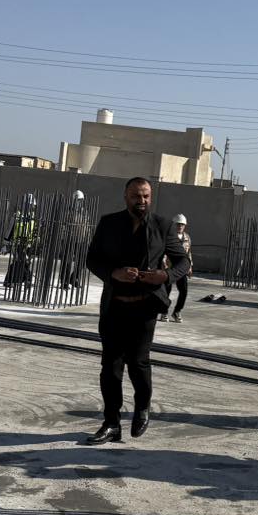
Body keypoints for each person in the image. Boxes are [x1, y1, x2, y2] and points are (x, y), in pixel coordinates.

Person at [83, 178, 189, 444]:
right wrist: (113, 273)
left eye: (146, 196)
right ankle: (111, 423)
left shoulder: (163, 226)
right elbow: (92, 259)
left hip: (145, 307)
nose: (141, 201)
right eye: (136, 196)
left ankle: (142, 407)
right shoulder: (109, 223)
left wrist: (165, 276)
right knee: (111, 367)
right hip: (115, 306)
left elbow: (183, 261)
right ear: (125, 196)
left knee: (138, 363)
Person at [3, 193, 37, 289]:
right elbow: (10, 230)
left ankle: (9, 280)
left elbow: (34, 231)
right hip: (18, 243)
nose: (30, 207)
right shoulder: (17, 216)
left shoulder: (32, 217)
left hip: (28, 244)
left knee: (20, 263)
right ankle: (27, 279)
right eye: (29, 205)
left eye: (32, 205)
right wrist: (6, 243)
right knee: (22, 262)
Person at [167, 214, 192, 322]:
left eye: (182, 224)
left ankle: (177, 311)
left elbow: (188, 253)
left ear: (185, 225)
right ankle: (164, 312)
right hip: (169, 267)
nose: (180, 226)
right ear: (174, 225)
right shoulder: (169, 237)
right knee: (166, 290)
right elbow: (163, 251)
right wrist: (164, 265)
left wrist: (189, 266)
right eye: (178, 224)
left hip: (181, 268)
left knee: (184, 290)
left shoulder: (187, 238)